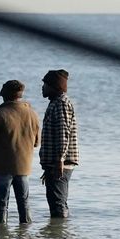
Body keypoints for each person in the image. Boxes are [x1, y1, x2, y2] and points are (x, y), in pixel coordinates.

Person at [0, 80, 39, 224]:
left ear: (4, 95)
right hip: (24, 167)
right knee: (24, 206)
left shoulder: (0, 114)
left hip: (2, 168)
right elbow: (37, 142)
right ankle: (24, 238)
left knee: (1, 206)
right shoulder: (32, 113)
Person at [39, 69, 79, 219]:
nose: (42, 87)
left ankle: (60, 238)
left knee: (58, 203)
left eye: (45, 84)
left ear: (55, 87)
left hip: (60, 162)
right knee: (58, 201)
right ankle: (59, 236)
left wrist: (59, 161)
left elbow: (63, 134)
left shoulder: (61, 103)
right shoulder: (56, 103)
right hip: (56, 163)